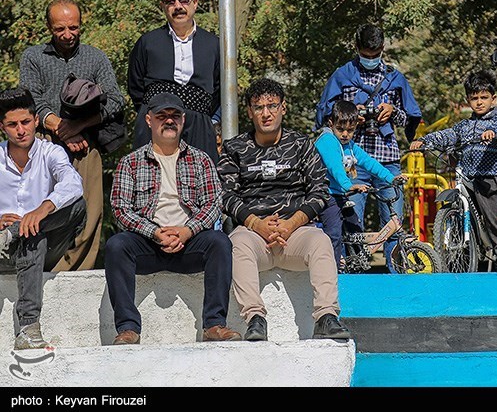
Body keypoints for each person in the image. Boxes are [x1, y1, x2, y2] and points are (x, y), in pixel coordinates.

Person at [218, 78, 350, 342]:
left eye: (272, 106)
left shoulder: (302, 146)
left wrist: (291, 225)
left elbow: (320, 191)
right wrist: (257, 224)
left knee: (321, 242)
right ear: (249, 111)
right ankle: (255, 319)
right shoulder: (235, 148)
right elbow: (226, 195)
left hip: (296, 234)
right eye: (258, 107)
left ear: (283, 108)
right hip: (254, 235)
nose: (265, 113)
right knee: (236, 244)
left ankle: (326, 317)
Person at [105, 92, 240, 345]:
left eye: (174, 116)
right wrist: (155, 232)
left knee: (220, 242)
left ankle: (214, 324)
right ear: (148, 120)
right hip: (147, 244)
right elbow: (121, 210)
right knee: (116, 245)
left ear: (183, 120)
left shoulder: (201, 160)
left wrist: (187, 231)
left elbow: (213, 204)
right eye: (161, 116)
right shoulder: (130, 163)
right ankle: (127, 328)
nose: (169, 121)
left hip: (189, 244)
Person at [19, 0, 126, 271]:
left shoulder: (96, 57)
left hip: (86, 145)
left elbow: (116, 100)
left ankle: (77, 274)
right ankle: (40, 270)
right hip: (44, 143)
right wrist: (61, 129)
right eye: (60, 29)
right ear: (49, 27)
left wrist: (79, 126)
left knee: (91, 213)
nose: (67, 35)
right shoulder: (33, 57)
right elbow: (32, 101)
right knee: (42, 210)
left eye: (73, 28)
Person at [314, 24, 422, 272]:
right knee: (352, 224)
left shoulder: (395, 78)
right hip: (351, 160)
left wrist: (394, 113)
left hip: (387, 158)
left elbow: (412, 119)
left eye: (376, 54)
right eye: (366, 54)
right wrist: (351, 114)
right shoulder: (342, 76)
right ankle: (351, 274)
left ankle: (397, 275)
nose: (371, 59)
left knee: (393, 221)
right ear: (357, 49)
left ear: (383, 49)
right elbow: (324, 115)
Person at [0, 87, 86, 349]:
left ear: (36, 121)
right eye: (12, 124)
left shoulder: (51, 152)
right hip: (5, 254)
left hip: (46, 243)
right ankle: (28, 330)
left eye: (25, 122)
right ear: (2, 127)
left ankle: (15, 232)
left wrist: (43, 208)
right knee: (32, 236)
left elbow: (73, 183)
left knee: (75, 208)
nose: (21, 130)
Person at [410, 70, 497, 271]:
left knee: (495, 221)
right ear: (468, 99)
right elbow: (447, 135)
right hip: (470, 179)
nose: (479, 102)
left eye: (484, 97)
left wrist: (492, 133)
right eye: (474, 98)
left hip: (491, 180)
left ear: (493, 99)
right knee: (469, 211)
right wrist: (424, 141)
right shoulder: (465, 126)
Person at [127, 0, 221, 162]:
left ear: (195, 2)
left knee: (202, 183)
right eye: (171, 1)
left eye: (183, 0)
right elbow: (135, 87)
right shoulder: (147, 43)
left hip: (198, 126)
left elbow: (218, 88)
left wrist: (203, 118)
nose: (178, 6)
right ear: (163, 6)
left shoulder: (214, 44)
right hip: (155, 124)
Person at [315, 99, 404, 272]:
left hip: (340, 196)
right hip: (326, 195)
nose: (345, 134)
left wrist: (391, 179)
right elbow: (335, 168)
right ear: (331, 123)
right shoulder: (327, 141)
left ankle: (354, 267)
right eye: (340, 129)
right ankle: (332, 273)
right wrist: (349, 186)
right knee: (334, 233)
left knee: (355, 230)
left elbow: (369, 162)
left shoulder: (349, 145)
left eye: (350, 130)